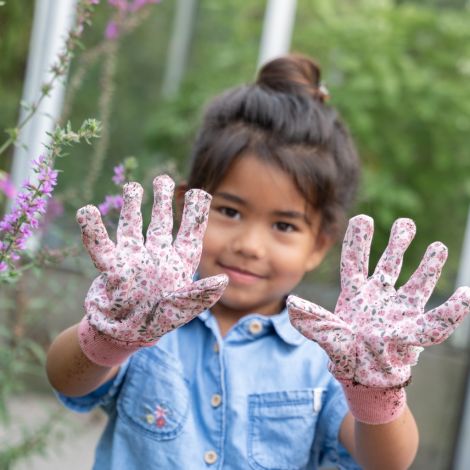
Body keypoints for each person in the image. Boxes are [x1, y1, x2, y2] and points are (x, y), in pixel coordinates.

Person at [46, 54, 470, 470]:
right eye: (229, 212)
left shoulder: (332, 354)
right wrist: (111, 335)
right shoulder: (147, 314)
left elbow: (387, 462)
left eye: (284, 226)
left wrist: (377, 387)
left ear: (320, 244)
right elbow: (66, 378)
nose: (250, 245)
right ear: (187, 207)